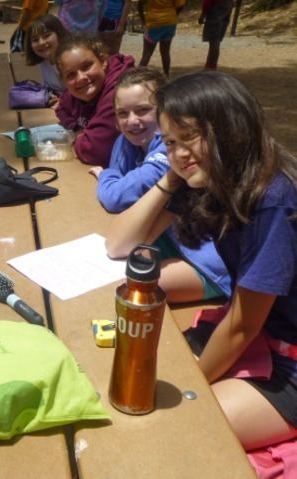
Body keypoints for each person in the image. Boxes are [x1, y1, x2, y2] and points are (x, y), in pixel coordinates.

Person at [105, 71, 297, 450]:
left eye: (189, 136)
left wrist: (195, 384)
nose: (178, 152)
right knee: (139, 379)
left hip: (286, 361)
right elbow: (120, 243)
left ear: (230, 127)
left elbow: (242, 325)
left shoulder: (272, 200)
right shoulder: (212, 180)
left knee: (184, 430)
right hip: (261, 337)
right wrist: (174, 177)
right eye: (170, 142)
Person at [90, 67, 230, 302]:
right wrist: (170, 179)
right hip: (172, 240)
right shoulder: (134, 145)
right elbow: (117, 244)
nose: (132, 121)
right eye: (122, 113)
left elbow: (115, 195)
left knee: (130, 289)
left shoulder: (183, 165)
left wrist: (107, 177)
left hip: (209, 264)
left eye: (143, 110)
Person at [55, 35, 135, 167]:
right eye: (71, 74)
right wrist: (75, 128)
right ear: (64, 82)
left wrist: (77, 138)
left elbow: (96, 152)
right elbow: (61, 107)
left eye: (86, 66)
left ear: (103, 61)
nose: (81, 78)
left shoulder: (121, 91)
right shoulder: (75, 91)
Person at [24, 14, 70, 99]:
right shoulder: (44, 61)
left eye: (46, 36)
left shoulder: (68, 61)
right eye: (35, 40)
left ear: (59, 34)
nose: (41, 42)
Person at [137, 0, 185, 77]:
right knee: (165, 52)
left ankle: (137, 77)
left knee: (146, 54)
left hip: (153, 23)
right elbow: (181, 4)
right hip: (170, 22)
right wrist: (174, 14)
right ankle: (166, 75)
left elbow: (140, 4)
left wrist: (143, 20)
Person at [199, 0, 233, 70]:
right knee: (216, 39)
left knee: (214, 39)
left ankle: (211, 66)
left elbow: (207, 2)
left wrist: (203, 14)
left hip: (216, 7)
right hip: (228, 5)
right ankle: (209, 65)